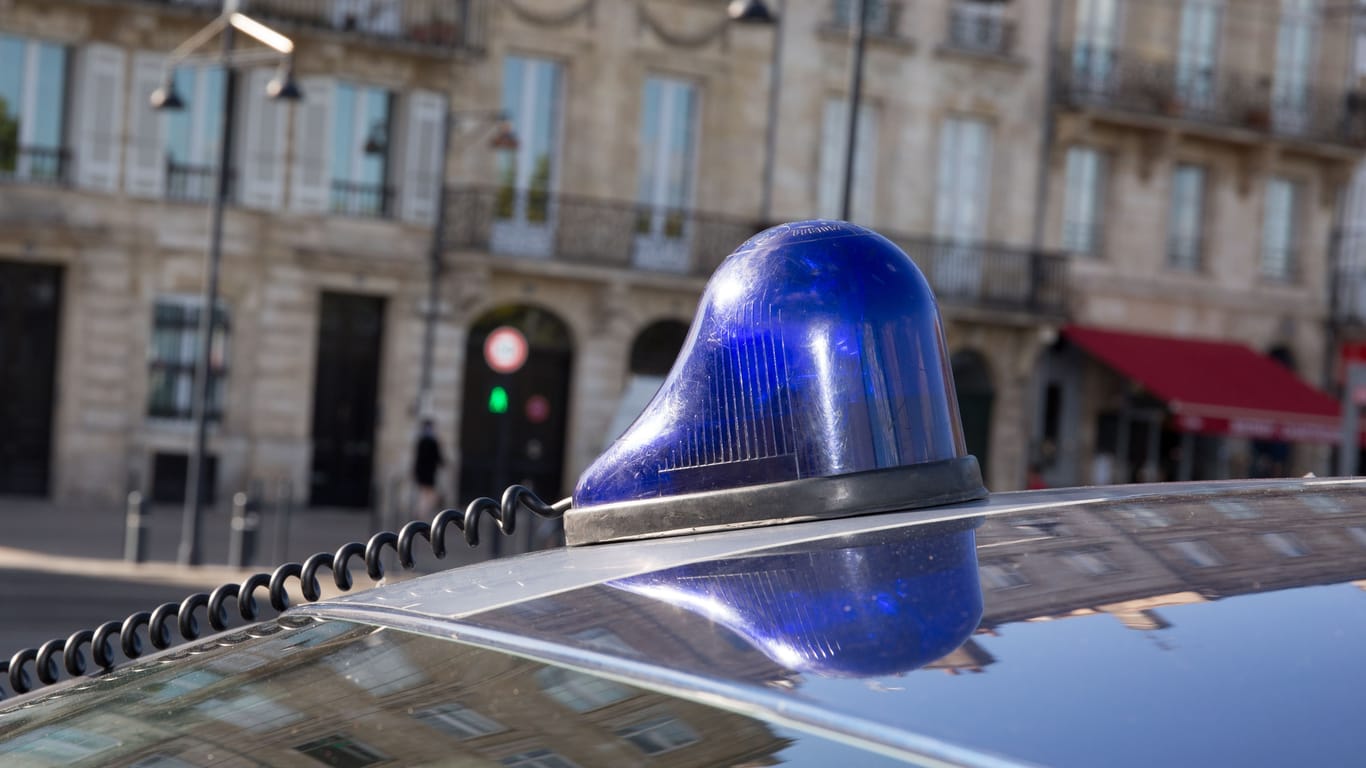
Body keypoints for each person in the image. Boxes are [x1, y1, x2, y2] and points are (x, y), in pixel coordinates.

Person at [413, 418, 445, 517]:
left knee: (424, 494)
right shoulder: (432, 442)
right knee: (430, 495)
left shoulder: (421, 440)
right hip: (429, 472)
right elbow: (438, 457)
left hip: (422, 471)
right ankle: (421, 513)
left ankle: (421, 512)